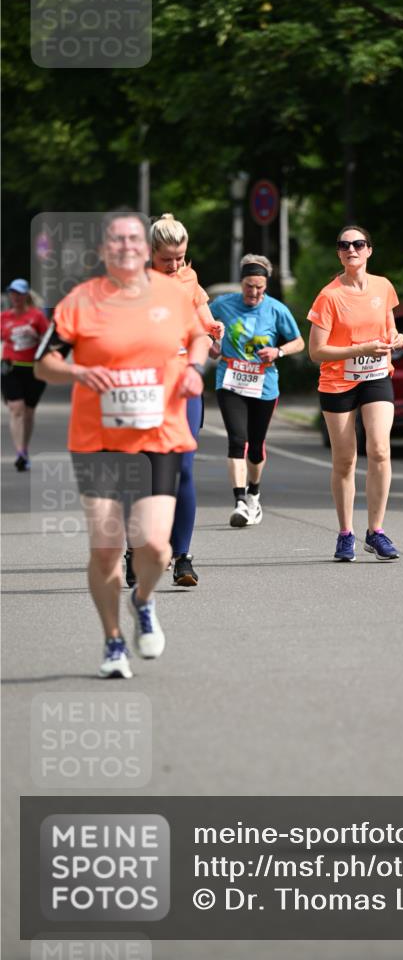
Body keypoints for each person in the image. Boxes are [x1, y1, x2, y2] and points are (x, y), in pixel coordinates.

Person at [35, 211, 209, 679]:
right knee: (107, 550)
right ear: (104, 252)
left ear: (143, 248)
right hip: (99, 439)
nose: (127, 249)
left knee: (154, 547)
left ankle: (143, 601)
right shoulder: (80, 302)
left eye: (134, 241)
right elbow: (43, 363)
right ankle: (113, 642)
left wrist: (194, 368)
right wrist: (75, 371)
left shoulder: (174, 294)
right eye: (118, 242)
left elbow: (199, 336)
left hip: (160, 433)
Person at [123, 213, 224, 589]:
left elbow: (206, 324)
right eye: (167, 258)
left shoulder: (188, 278)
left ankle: (183, 557)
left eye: (180, 257)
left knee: (182, 468)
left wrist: (215, 337)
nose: (175, 264)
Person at [307, 225, 403, 562]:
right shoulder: (329, 296)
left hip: (377, 376)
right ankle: (345, 533)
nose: (352, 249)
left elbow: (390, 328)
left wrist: (396, 339)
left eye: (358, 244)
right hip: (338, 382)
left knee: (379, 449)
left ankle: (375, 531)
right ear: (339, 253)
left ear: (369, 250)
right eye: (344, 245)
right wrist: (359, 348)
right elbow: (316, 352)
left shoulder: (383, 286)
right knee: (345, 459)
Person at [208, 254, 304, 527]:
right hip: (230, 381)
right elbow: (201, 326)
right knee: (237, 440)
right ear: (241, 283)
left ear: (266, 286)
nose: (254, 292)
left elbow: (299, 342)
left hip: (264, 385)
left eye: (260, 287)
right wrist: (210, 343)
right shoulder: (223, 305)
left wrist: (279, 351)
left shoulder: (276, 309)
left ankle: (253, 493)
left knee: (256, 445)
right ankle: (239, 501)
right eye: (249, 286)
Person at [1, 278, 49, 471]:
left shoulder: (37, 317)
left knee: (28, 413)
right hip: (10, 368)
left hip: (33, 369)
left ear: (26, 295)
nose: (16, 297)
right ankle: (20, 452)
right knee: (16, 408)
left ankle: (25, 449)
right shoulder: (4, 317)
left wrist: (35, 336)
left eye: (19, 293)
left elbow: (48, 341)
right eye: (12, 293)